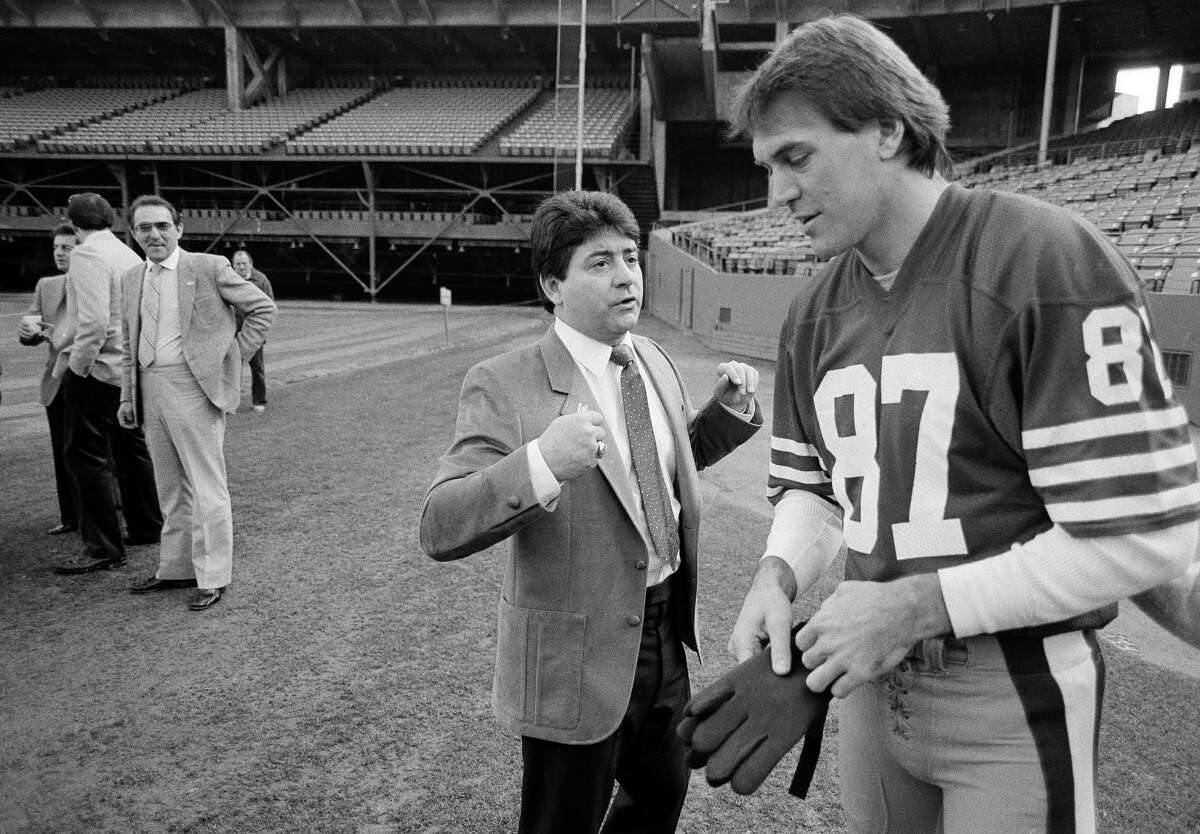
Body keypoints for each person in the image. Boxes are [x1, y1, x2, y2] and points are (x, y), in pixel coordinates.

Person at [724, 16, 1199, 834]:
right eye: (766, 167)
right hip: (871, 689)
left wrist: (916, 606)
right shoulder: (811, 312)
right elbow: (820, 494)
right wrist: (778, 574)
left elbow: (1138, 538)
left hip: (1011, 686)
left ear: (886, 130)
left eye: (795, 157)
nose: (777, 195)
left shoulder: (1042, 257)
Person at [420, 190, 763, 834]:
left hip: (663, 637)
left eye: (630, 257)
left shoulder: (652, 359)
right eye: (599, 263)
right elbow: (441, 523)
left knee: (658, 806)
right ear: (553, 284)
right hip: (573, 658)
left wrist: (724, 416)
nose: (626, 276)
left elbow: (656, 471)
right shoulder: (503, 381)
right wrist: (541, 462)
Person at [118, 195, 275, 611]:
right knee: (170, 488)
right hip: (150, 387)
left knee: (207, 486)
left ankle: (213, 576)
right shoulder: (133, 277)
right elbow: (127, 341)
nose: (154, 234)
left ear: (179, 228)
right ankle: (175, 569)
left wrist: (231, 357)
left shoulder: (208, 267)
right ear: (133, 233)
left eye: (162, 226)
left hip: (194, 388)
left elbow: (262, 308)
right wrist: (127, 395)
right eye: (144, 228)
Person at [51, 193, 162, 574]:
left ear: (74, 222)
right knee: (130, 449)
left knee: (84, 455)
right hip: (127, 369)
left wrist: (77, 368)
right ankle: (147, 524)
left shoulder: (86, 255)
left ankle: (102, 546)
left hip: (97, 369)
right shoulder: (127, 254)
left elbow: (94, 322)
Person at [17, 224, 80, 535]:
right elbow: (30, 327)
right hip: (56, 383)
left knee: (97, 453)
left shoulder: (94, 282)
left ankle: (109, 512)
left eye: (66, 247)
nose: (59, 252)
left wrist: (53, 334)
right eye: (56, 247)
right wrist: (27, 333)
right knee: (62, 451)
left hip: (89, 378)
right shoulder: (46, 285)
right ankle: (70, 516)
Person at [231, 248, 275, 412]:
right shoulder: (228, 279)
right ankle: (230, 403)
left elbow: (269, 306)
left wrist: (261, 331)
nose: (241, 267)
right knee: (232, 370)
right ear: (233, 266)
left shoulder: (261, 280)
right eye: (237, 264)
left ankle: (259, 401)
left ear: (250, 264)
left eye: (244, 264)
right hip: (233, 332)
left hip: (253, 333)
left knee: (257, 369)